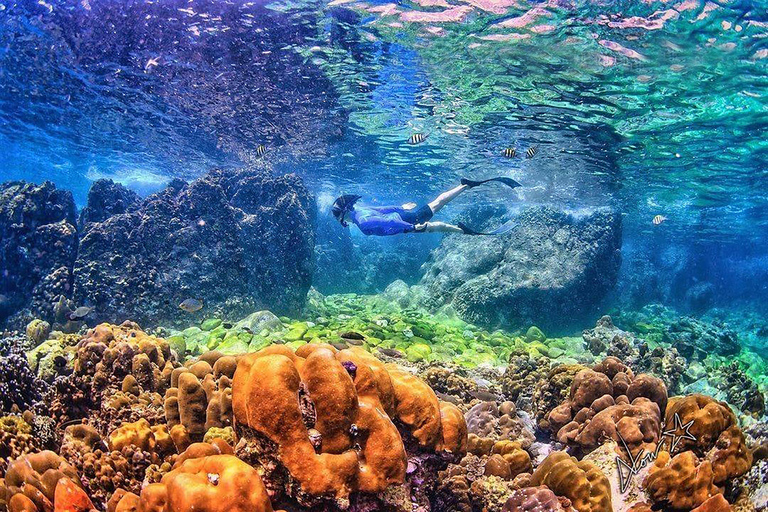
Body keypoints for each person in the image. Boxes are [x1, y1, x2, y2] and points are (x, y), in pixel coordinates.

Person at [331, 177, 520, 236]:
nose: (341, 221)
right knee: (438, 203)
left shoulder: (362, 221)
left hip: (407, 223)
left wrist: (412, 227)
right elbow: (383, 210)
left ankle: (465, 232)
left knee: (439, 226)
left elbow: (387, 220)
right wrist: (400, 206)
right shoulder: (362, 211)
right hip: (406, 217)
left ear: (345, 213)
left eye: (339, 217)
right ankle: (465, 185)